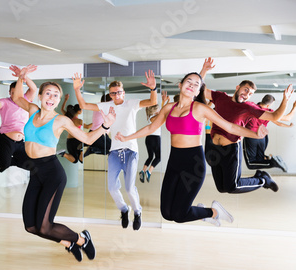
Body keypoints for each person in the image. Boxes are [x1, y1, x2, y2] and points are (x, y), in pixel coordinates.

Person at [115, 72, 268, 226]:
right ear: (180, 85)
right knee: (167, 213)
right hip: (174, 162)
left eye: (196, 84)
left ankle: (213, 212)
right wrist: (127, 138)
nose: (192, 85)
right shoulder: (169, 108)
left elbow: (229, 126)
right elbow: (150, 127)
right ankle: (202, 212)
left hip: (193, 164)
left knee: (179, 214)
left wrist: (255, 134)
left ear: (197, 91)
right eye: (189, 81)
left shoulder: (201, 109)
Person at [12, 65, 115, 262]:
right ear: (40, 96)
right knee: (31, 227)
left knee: (44, 226)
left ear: (59, 100)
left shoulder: (61, 120)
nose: (51, 98)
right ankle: (69, 244)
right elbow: (17, 98)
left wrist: (106, 125)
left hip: (52, 173)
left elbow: (87, 139)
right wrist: (21, 77)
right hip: (35, 172)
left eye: (55, 96)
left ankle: (82, 239)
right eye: (48, 94)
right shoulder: (33, 110)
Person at [73, 71, 158, 231]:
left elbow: (152, 101)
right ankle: (125, 210)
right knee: (112, 188)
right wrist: (77, 90)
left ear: (123, 93)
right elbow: (84, 105)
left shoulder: (132, 104)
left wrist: (153, 88)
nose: (117, 95)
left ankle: (137, 212)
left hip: (131, 151)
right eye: (113, 93)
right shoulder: (106, 106)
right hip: (114, 153)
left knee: (129, 188)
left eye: (119, 92)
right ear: (110, 95)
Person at [200, 57, 293, 193]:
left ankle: (263, 179)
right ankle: (261, 177)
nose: (246, 95)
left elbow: (274, 116)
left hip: (231, 149)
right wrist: (204, 70)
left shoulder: (249, 108)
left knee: (233, 187)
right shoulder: (220, 97)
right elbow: (200, 90)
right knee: (221, 188)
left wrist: (285, 100)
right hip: (215, 149)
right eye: (245, 90)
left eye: (250, 94)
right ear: (238, 87)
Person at [243, 94, 295, 172]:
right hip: (262, 138)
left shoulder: (252, 108)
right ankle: (270, 164)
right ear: (268, 105)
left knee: (251, 163)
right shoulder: (269, 113)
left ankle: (274, 162)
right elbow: (281, 122)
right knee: (260, 159)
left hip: (251, 137)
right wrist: (294, 107)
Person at [139, 90, 168, 183]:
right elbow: (163, 113)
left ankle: (143, 171)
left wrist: (163, 102)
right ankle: (149, 172)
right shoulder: (154, 117)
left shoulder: (150, 116)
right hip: (155, 138)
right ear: (155, 110)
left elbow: (162, 113)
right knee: (158, 157)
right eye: (158, 109)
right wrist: (164, 102)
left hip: (148, 139)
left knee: (150, 157)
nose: (160, 110)